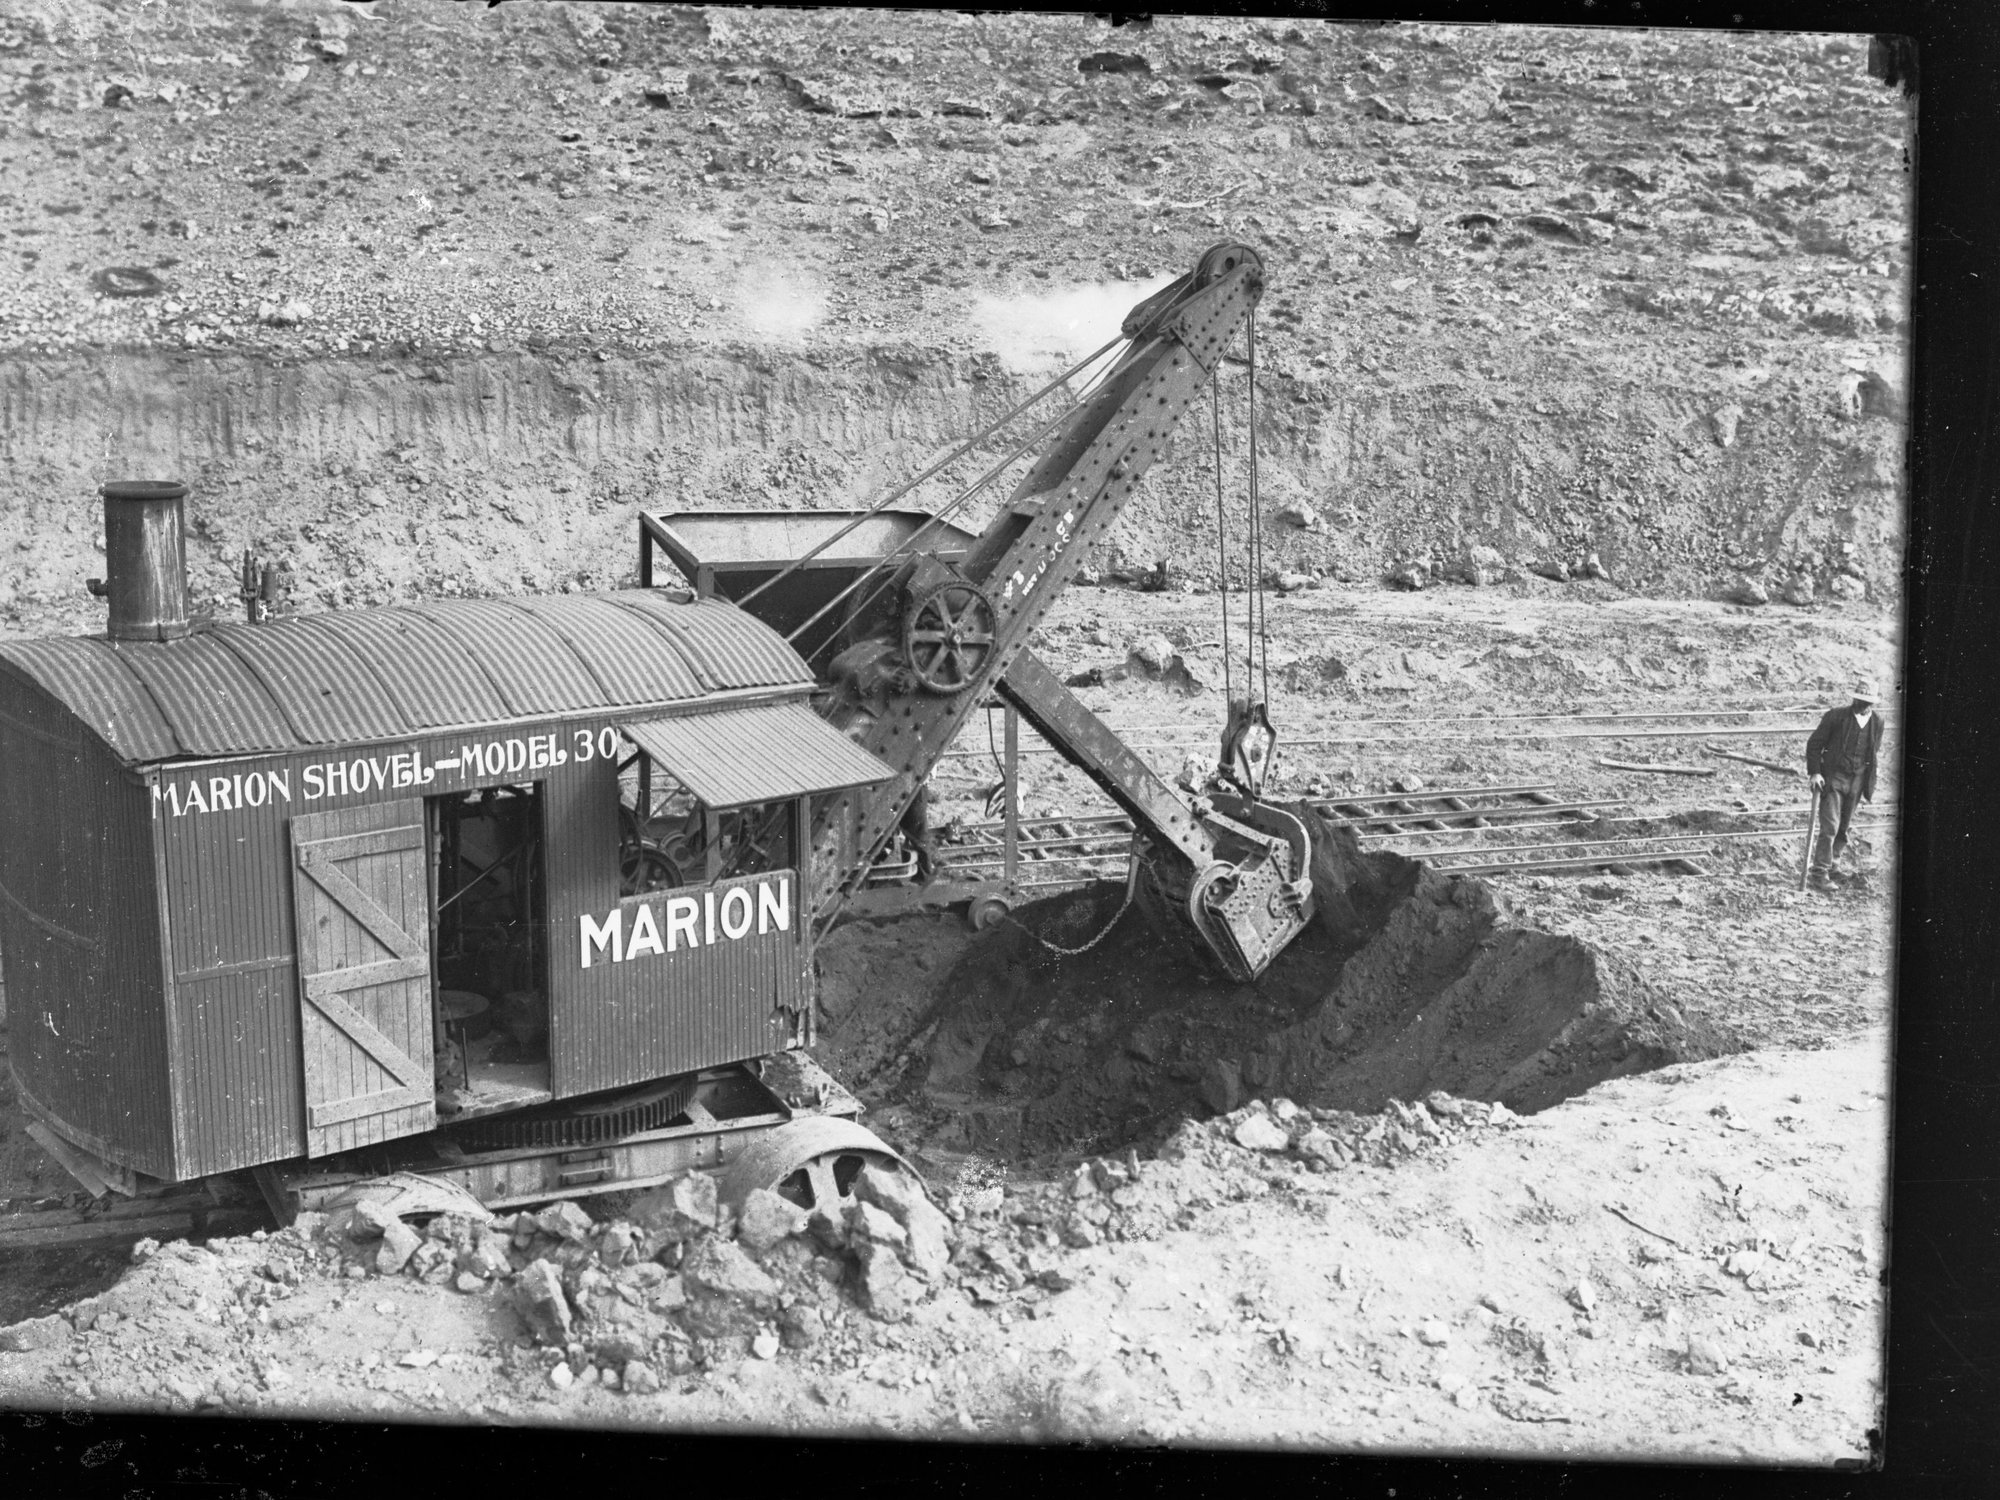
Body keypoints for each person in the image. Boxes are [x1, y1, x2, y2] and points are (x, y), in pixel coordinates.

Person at [1804, 680, 1886, 889]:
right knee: (1830, 825)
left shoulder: (1877, 722)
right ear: (1854, 698)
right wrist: (1815, 772)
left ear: (1873, 703)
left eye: (1868, 701)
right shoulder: (1836, 716)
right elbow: (1814, 744)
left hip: (1857, 780)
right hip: (1834, 778)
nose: (1864, 704)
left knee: (1844, 826)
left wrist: (1867, 780)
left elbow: (1872, 751)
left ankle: (1834, 867)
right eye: (1860, 699)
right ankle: (1819, 873)